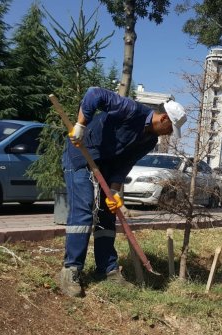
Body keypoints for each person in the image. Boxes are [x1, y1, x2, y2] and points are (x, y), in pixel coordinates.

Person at [59, 86, 187, 297]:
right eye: (171, 129)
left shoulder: (150, 140)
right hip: (81, 154)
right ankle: (71, 269)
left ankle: (107, 269)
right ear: (164, 118)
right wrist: (81, 125)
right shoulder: (131, 110)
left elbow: (125, 164)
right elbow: (93, 94)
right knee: (84, 209)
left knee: (107, 215)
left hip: (107, 168)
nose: (169, 135)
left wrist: (115, 191)